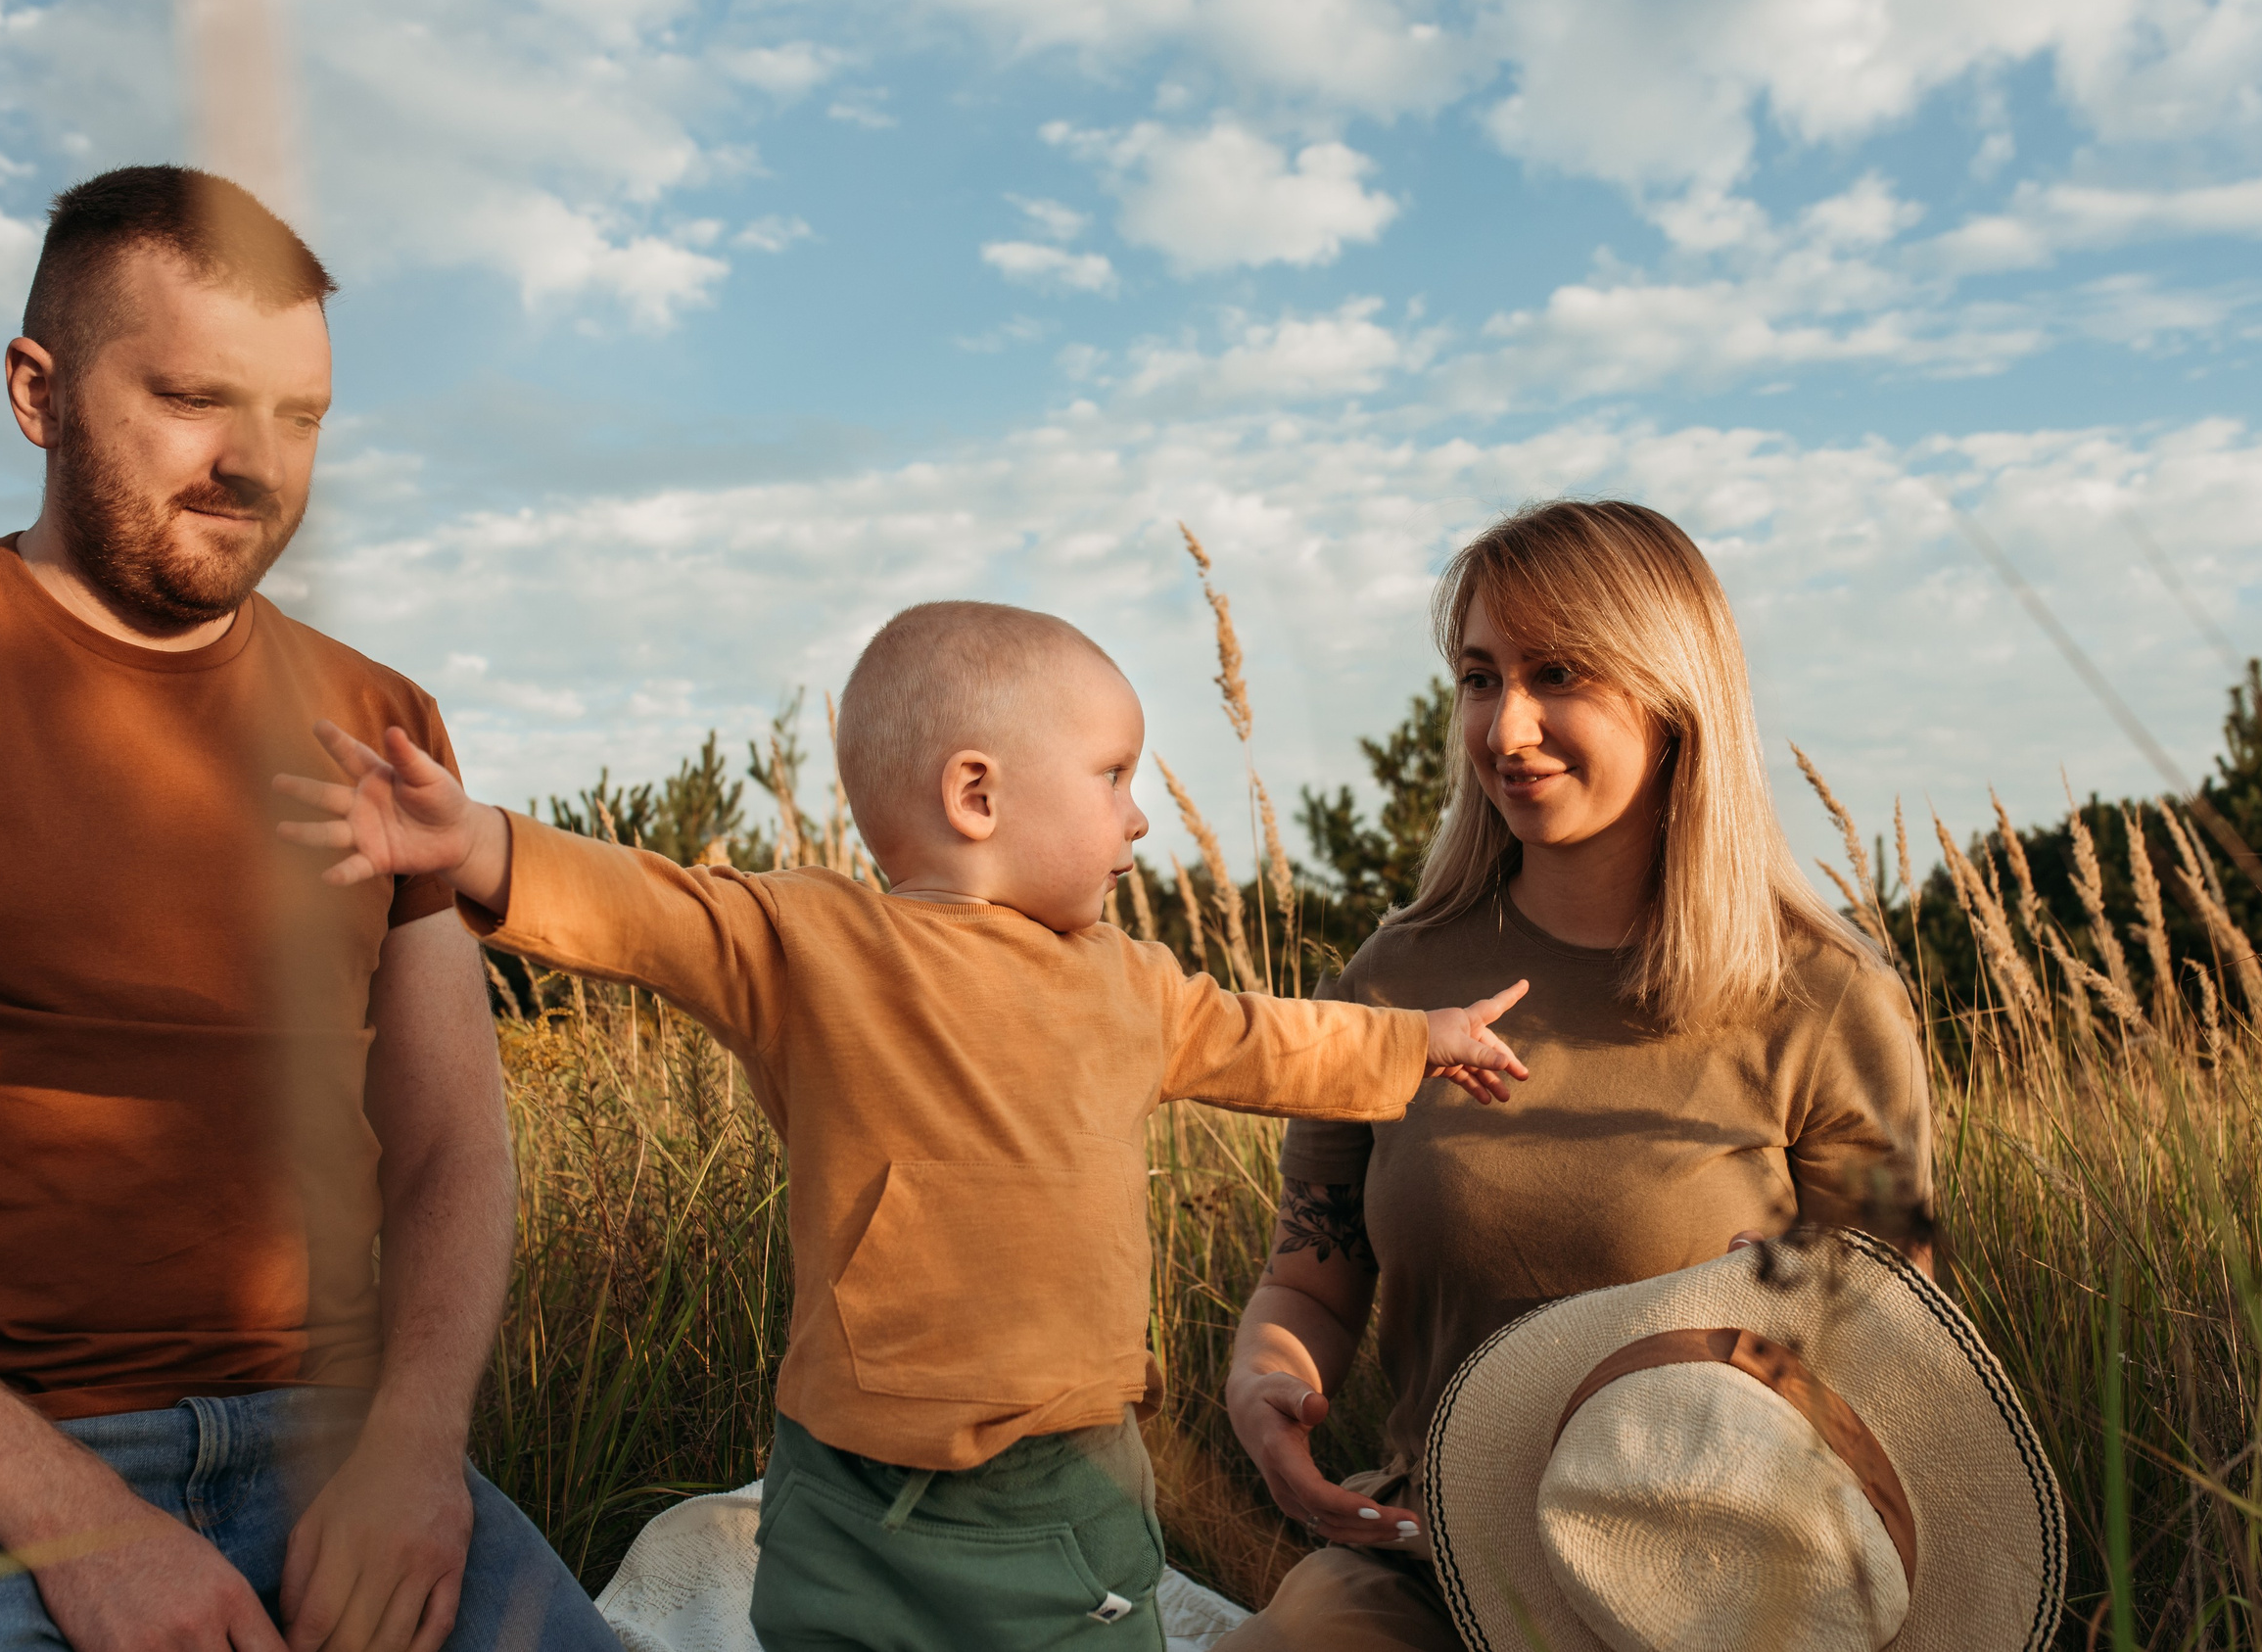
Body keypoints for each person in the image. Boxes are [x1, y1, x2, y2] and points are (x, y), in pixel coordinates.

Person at [272, 599, 1534, 1652]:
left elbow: (1269, 1036)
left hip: (1064, 1477)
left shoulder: (1127, 982)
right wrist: (478, 839)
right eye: (1111, 778)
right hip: (842, 1480)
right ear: (976, 793)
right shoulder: (817, 943)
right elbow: (646, 909)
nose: (1139, 818)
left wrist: (1418, 1040)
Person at [0, 165, 620, 1652]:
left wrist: (417, 1450)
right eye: (194, 397)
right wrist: (84, 1534)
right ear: (35, 392)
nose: (257, 463)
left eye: (300, 415)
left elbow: (448, 1142)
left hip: (341, 1458)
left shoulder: (382, 722)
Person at [1216, 500, 1938, 1652]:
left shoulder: (1826, 1000)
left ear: (1671, 696)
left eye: (1558, 673)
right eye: (1476, 675)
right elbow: (1309, 1279)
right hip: (1429, 1558)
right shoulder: (1392, 979)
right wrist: (1265, 1384)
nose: (1506, 728)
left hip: (1706, 1584)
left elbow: (1890, 1350)